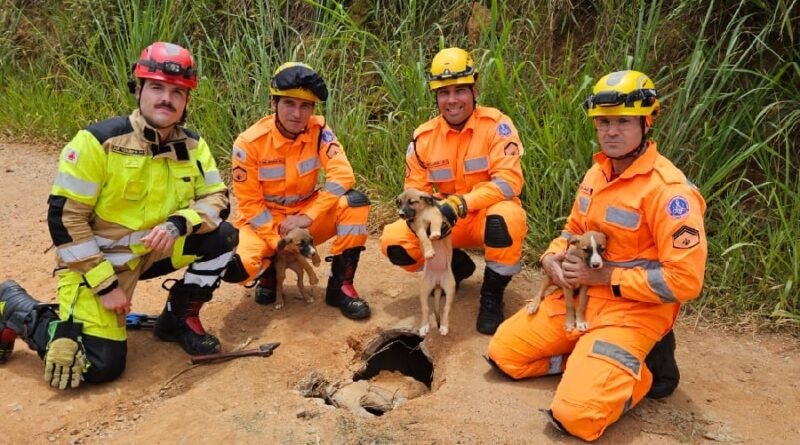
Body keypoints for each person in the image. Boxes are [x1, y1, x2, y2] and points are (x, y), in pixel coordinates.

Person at [0, 42, 237, 389]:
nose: (166, 99)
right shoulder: (97, 142)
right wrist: (105, 285)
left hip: (151, 252)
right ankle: (16, 308)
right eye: (156, 88)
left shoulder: (193, 145)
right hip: (99, 264)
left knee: (223, 237)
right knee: (98, 366)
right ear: (139, 90)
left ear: (187, 100)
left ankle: (177, 319)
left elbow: (217, 198)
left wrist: (179, 223)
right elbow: (65, 220)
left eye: (178, 92)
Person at [486, 70, 707, 441]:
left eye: (623, 122)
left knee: (576, 417)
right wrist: (551, 257)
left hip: (634, 312)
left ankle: (643, 373)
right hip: (581, 299)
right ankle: (583, 362)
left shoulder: (669, 193)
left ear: (647, 122)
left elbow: (685, 282)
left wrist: (606, 277)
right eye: (604, 122)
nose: (611, 132)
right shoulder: (597, 173)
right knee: (503, 354)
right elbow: (573, 228)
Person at [379, 47, 528, 335]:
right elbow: (415, 193)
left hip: (484, 215)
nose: (452, 100)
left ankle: (492, 296)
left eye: (460, 90)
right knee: (395, 243)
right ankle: (456, 266)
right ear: (436, 96)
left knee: (506, 220)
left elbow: (509, 182)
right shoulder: (423, 138)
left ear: (474, 90)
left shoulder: (497, 126)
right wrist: (429, 215)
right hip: (445, 221)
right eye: (444, 92)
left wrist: (460, 204)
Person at [223, 62, 371, 320]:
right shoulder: (249, 143)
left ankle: (341, 287)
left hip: (304, 219)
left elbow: (343, 175)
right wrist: (279, 244)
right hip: (263, 223)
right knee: (238, 267)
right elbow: (250, 205)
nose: (297, 113)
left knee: (354, 204)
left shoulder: (319, 131)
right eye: (289, 103)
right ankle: (269, 276)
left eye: (305, 106)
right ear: (273, 103)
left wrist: (308, 216)